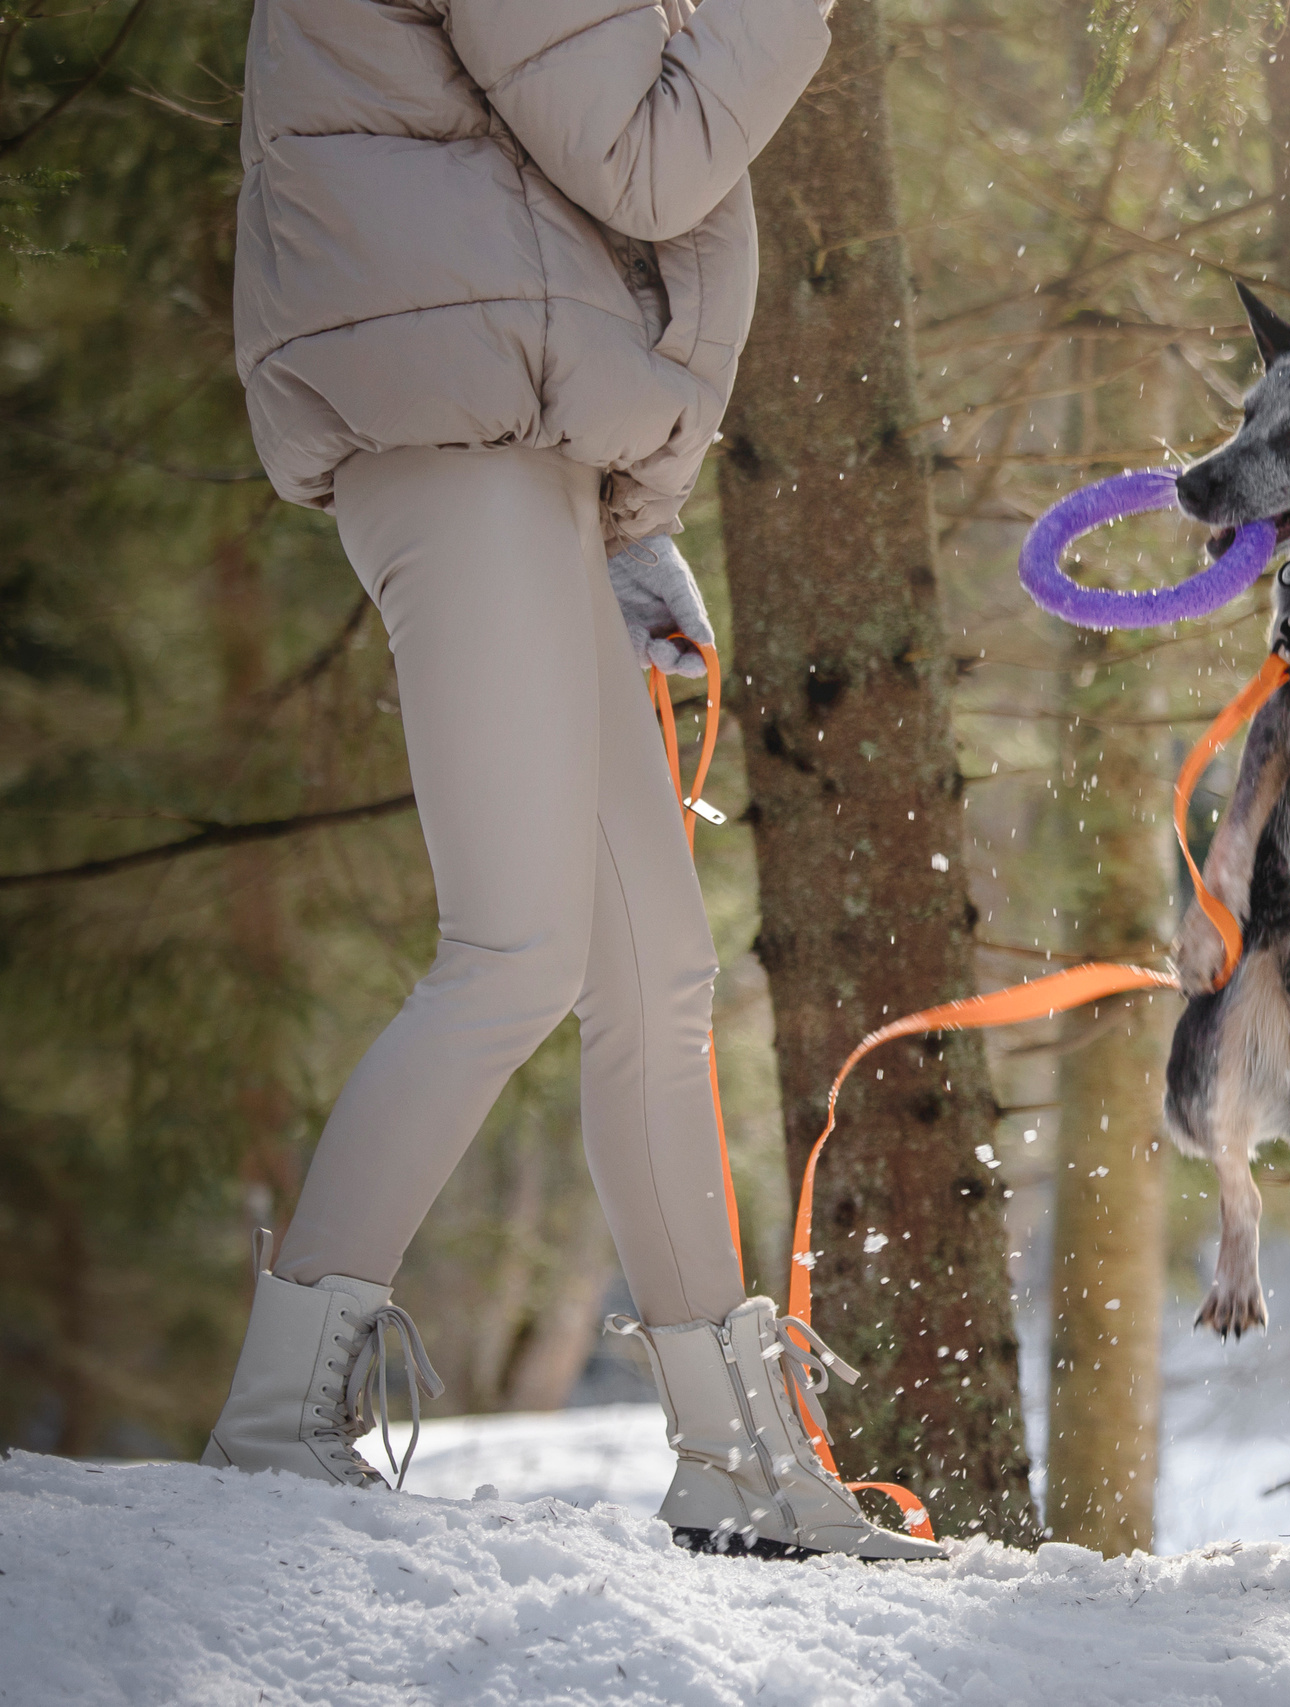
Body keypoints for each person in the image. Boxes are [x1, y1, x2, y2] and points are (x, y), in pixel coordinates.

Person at [199, 0, 936, 1561]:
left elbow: (555, 177)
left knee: (655, 970)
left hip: (517, 436)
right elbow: (650, 156)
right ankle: (274, 1422)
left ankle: (737, 1459)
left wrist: (621, 519)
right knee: (514, 949)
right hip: (455, 430)